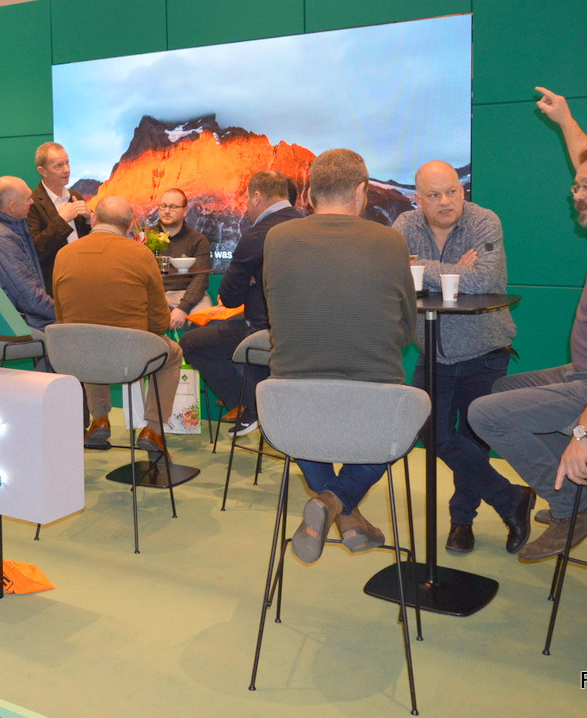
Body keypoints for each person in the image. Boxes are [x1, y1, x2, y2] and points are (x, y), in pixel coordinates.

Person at [467, 88, 587, 562]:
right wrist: (566, 121)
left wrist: (583, 436)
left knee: (485, 414)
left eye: (585, 188)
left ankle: (573, 506)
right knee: (501, 391)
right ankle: (579, 493)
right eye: (576, 186)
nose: (576, 194)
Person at [263, 149, 416, 563]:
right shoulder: (391, 240)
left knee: (301, 425)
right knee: (400, 426)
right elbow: (407, 329)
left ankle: (334, 505)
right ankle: (338, 505)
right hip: (373, 394)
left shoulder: (277, 238)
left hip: (292, 397)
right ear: (361, 191)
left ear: (309, 194)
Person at [393, 161, 532, 555]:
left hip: (485, 352)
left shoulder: (484, 221)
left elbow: (482, 280)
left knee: (473, 439)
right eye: (434, 195)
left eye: (452, 191)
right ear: (417, 199)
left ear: (462, 189)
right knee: (430, 432)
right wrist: (452, 271)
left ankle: (461, 522)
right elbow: (392, 273)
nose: (445, 201)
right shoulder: (404, 226)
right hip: (432, 353)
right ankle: (511, 499)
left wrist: (419, 266)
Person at [52, 195, 180, 460]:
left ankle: (99, 418)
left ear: (94, 219)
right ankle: (153, 429)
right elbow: (160, 322)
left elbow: (62, 317)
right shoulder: (141, 254)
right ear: (130, 226)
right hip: (129, 360)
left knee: (89, 336)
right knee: (173, 353)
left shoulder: (63, 254)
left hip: (77, 357)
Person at [179, 170, 302, 437]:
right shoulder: (308, 225)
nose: (247, 206)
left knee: (191, 343)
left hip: (263, 331)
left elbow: (230, 297)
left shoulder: (257, 235)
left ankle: (250, 405)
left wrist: (251, 285)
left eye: (247, 199)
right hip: (305, 334)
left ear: (257, 197)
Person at [0, 176, 55, 334]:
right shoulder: (2, 240)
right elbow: (30, 300)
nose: (32, 202)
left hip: (19, 319)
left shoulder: (2, 226)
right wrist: (66, 313)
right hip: (18, 325)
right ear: (12, 206)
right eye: (28, 198)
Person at [28, 142, 91, 294]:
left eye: (67, 163)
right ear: (42, 171)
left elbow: (91, 239)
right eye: (58, 166)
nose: (66, 170)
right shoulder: (32, 203)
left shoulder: (75, 196)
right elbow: (36, 249)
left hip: (85, 278)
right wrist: (61, 220)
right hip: (56, 284)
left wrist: (90, 219)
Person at [154, 188, 212, 330]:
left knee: (204, 319)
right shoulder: (145, 236)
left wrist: (183, 308)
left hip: (188, 293)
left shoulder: (198, 240)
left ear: (185, 211)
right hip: (155, 294)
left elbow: (200, 278)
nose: (167, 211)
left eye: (173, 207)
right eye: (163, 206)